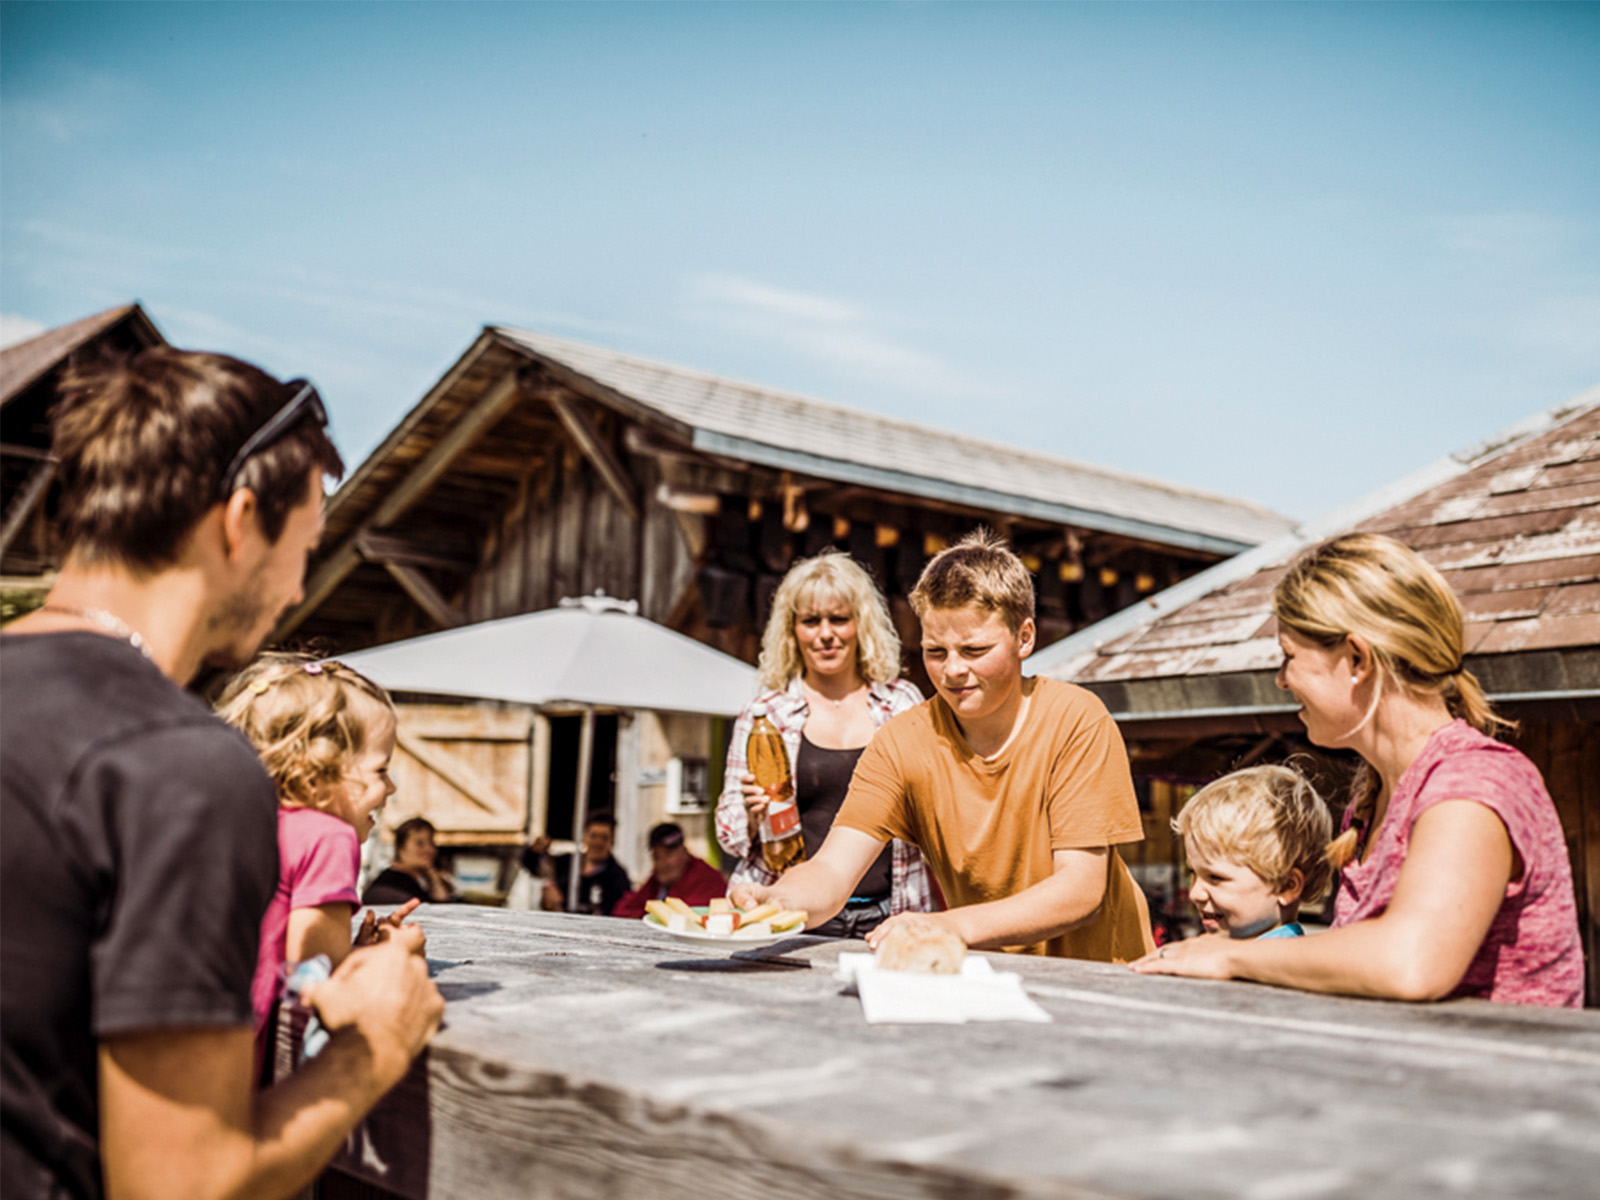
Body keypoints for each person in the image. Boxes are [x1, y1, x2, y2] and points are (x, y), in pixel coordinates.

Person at [1, 346, 442, 1200]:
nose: (298, 587)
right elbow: (185, 1186)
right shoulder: (176, 765)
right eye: (305, 547)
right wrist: (375, 1044)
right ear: (241, 519)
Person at [1133, 533, 1584, 1007]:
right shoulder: (1374, 801)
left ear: (1356, 659)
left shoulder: (1472, 785)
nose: (1281, 678)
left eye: (1289, 656)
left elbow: (1411, 964)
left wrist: (1227, 957)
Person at [730, 529, 1154, 963]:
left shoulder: (1077, 719)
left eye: (974, 650)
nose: (953, 670)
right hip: (988, 970)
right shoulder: (901, 740)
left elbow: (1081, 890)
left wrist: (949, 924)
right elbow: (833, 869)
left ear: (1025, 637)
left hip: (1104, 976)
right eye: (935, 651)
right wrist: (780, 901)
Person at [715, 549, 932, 939]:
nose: (825, 633)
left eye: (839, 619)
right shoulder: (766, 713)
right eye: (811, 621)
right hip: (786, 914)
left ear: (861, 624)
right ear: (791, 629)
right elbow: (729, 839)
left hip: (892, 912)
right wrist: (748, 815)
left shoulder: (902, 703)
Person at [215, 653, 414, 1076]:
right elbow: (315, 977)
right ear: (314, 776)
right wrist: (392, 957)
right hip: (251, 1065)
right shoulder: (327, 836)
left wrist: (353, 947)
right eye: (381, 770)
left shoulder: (240, 820)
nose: (391, 787)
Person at [1172, 765, 1333, 941]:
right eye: (1193, 873)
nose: (1195, 893)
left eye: (1216, 877)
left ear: (1286, 886)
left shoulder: (1273, 964)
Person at [521, 814, 632, 915]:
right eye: (593, 836)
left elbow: (617, 914)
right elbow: (532, 866)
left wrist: (558, 906)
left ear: (612, 841)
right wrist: (534, 851)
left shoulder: (618, 878)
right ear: (585, 837)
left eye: (604, 838)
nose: (598, 843)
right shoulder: (568, 863)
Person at [612, 823, 727, 919]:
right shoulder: (657, 880)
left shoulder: (707, 879)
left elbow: (690, 919)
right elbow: (623, 910)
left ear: (684, 852)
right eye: (656, 856)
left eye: (669, 855)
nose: (663, 863)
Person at [362, 816, 459, 905]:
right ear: (400, 849)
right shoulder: (393, 888)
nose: (430, 849)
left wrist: (432, 876)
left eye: (432, 843)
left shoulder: (414, 882)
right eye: (419, 844)